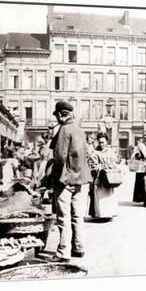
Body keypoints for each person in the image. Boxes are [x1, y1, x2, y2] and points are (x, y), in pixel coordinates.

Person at [49, 101, 92, 261]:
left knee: (63, 217)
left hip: (65, 179)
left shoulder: (64, 129)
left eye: (57, 116)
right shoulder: (80, 131)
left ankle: (63, 252)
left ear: (60, 114)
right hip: (80, 179)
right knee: (77, 216)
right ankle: (79, 248)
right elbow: (85, 153)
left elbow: (59, 157)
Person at [88, 133, 121, 220]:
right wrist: (98, 167)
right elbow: (91, 164)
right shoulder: (94, 152)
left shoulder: (110, 151)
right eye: (99, 142)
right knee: (100, 196)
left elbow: (115, 162)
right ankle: (100, 214)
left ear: (106, 142)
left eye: (103, 142)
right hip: (99, 177)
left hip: (109, 177)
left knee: (109, 195)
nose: (101, 144)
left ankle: (109, 213)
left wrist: (109, 165)